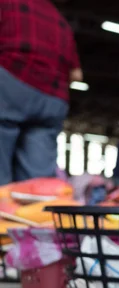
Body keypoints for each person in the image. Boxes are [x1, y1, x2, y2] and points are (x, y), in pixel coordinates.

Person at [0, 0, 82, 185]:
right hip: (52, 100)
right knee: (36, 182)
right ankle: (29, 210)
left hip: (10, 84)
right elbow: (76, 75)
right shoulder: (60, 20)